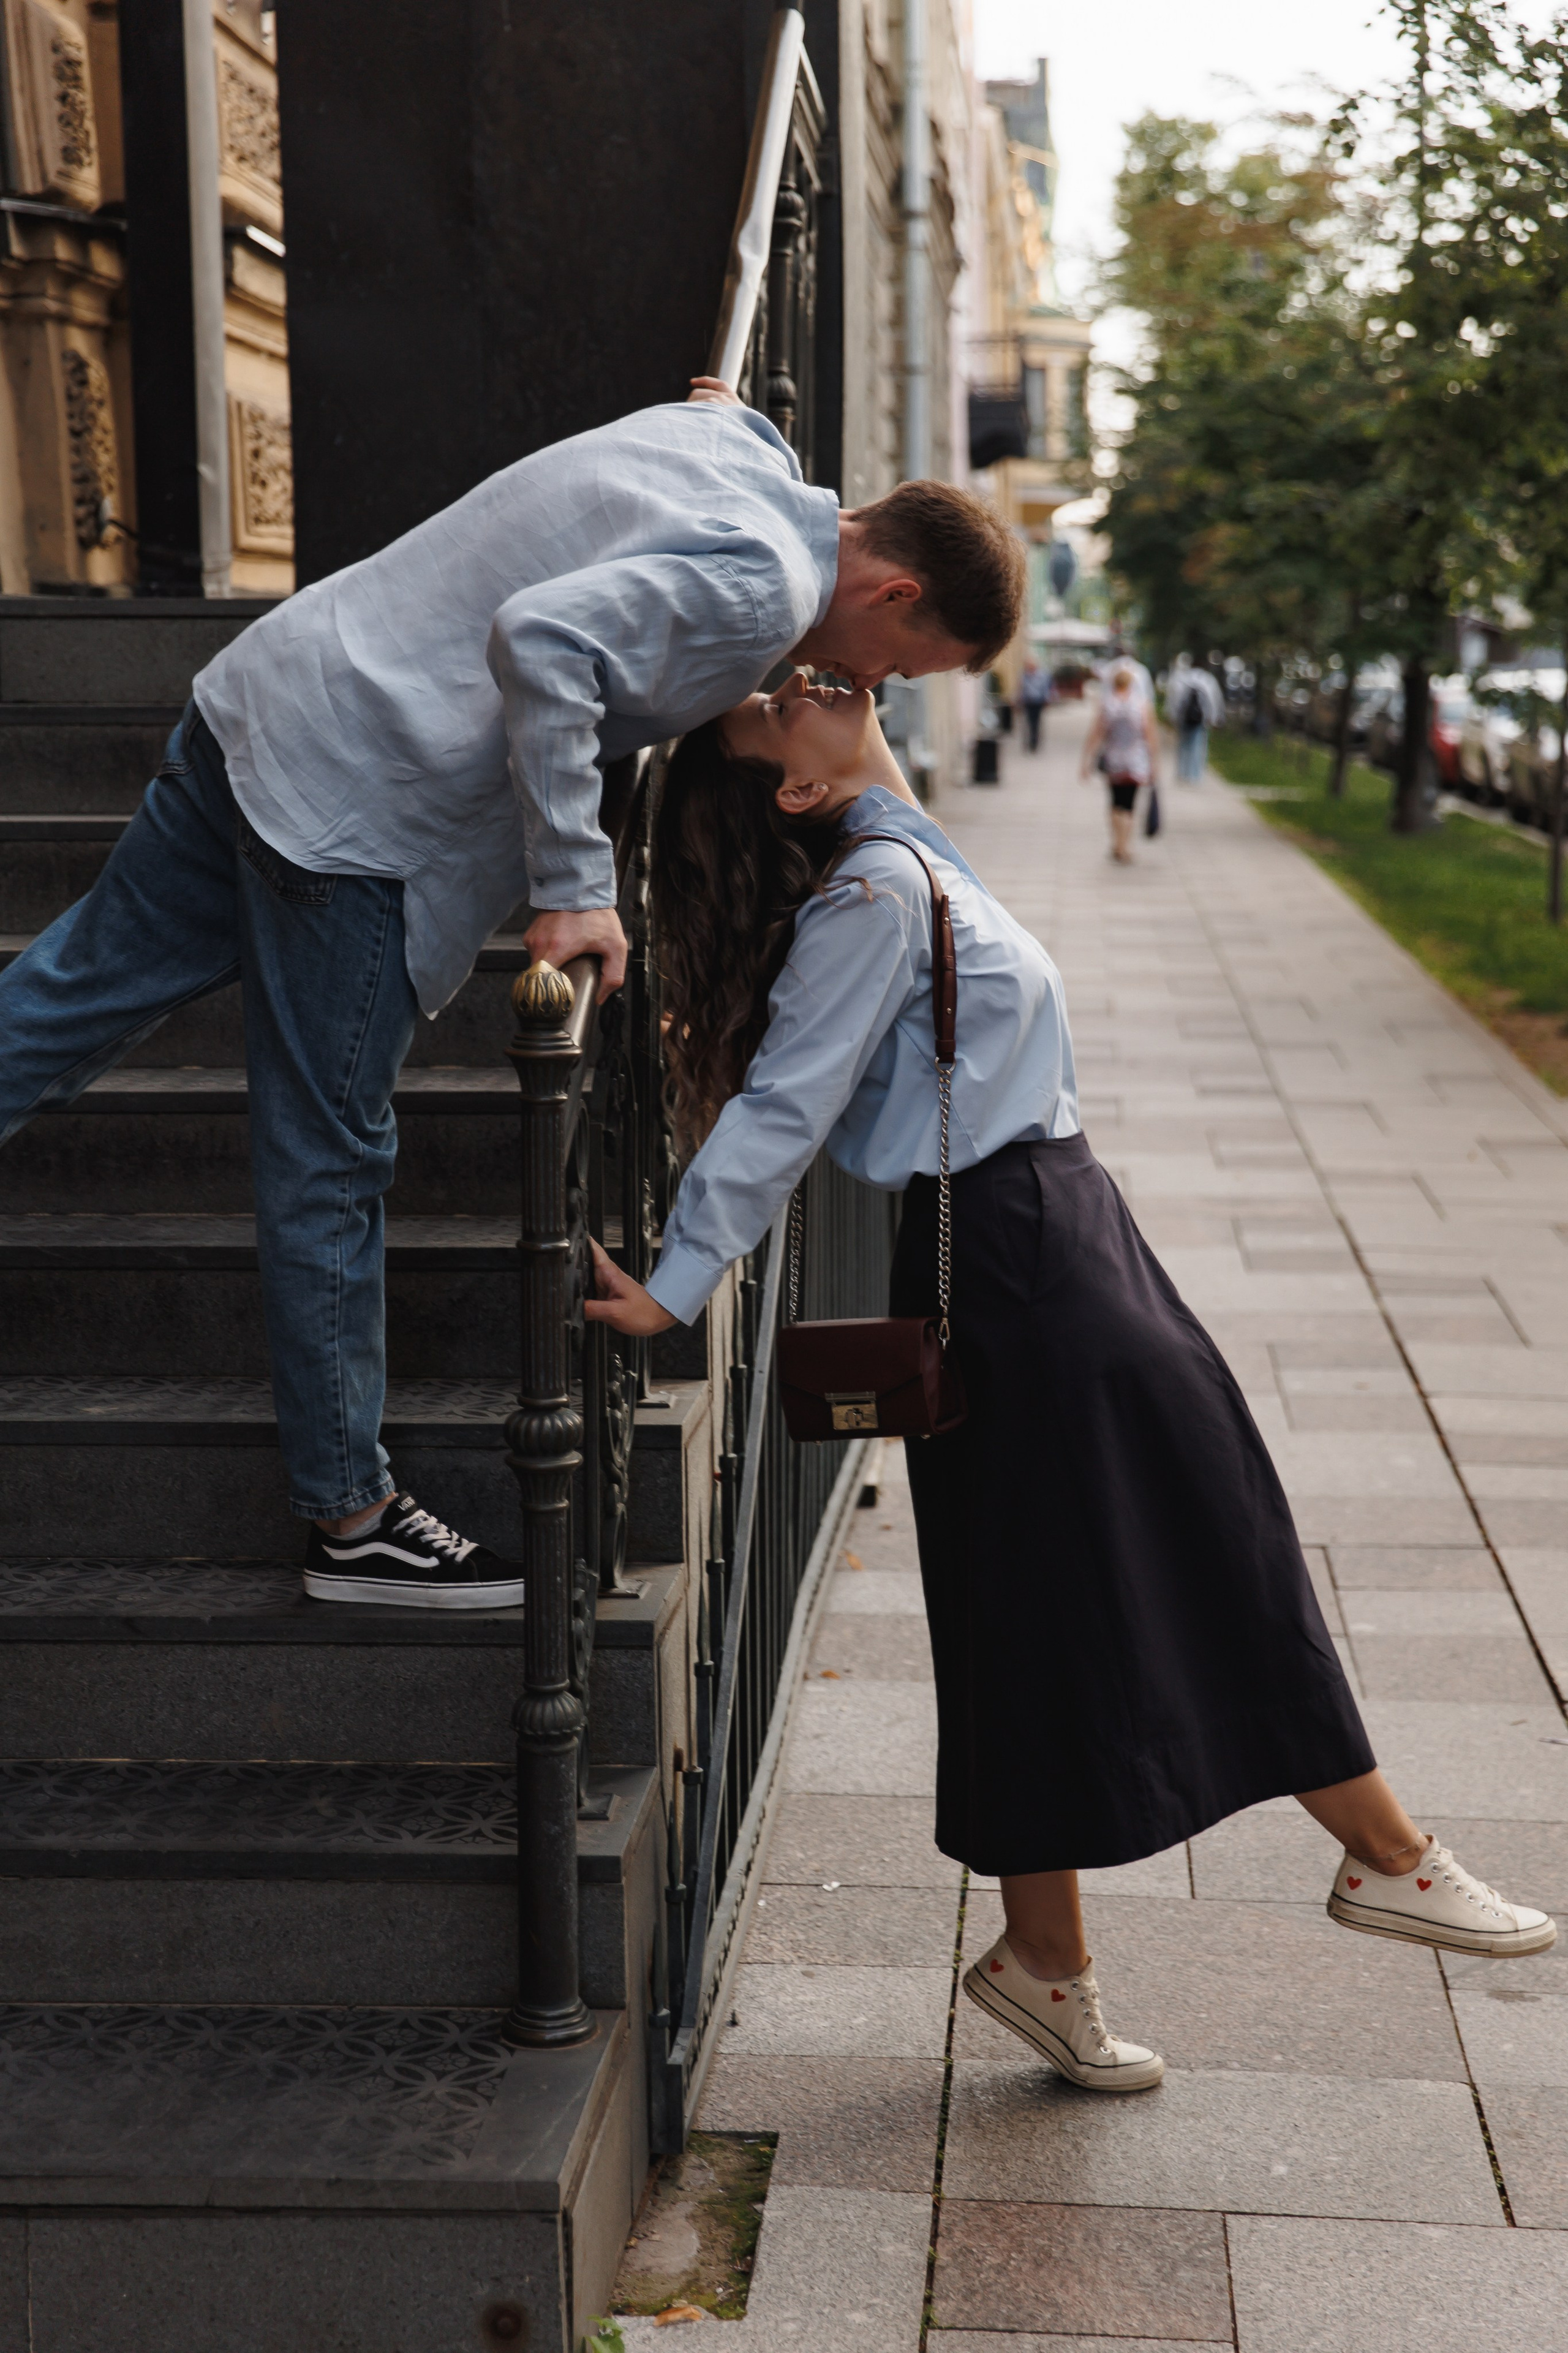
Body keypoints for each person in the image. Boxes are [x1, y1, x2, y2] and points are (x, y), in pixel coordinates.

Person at [586, 674, 1555, 2093]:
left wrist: (850, 712)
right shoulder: (869, 903)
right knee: (1212, 1538)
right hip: (1018, 1255)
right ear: (793, 788)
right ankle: (1386, 1852)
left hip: (1054, 1230)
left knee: (1029, 1598)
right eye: (769, 707)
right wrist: (676, 1282)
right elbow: (786, 1101)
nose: (798, 685)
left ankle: (1044, 1956)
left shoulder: (899, 858)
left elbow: (875, 791)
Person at [0, 381, 1023, 1606]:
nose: (874, 686)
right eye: (899, 664)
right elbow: (545, 638)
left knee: (56, 1004)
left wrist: (735, 408)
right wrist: (576, 882)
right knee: (327, 1159)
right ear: (893, 592)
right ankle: (352, 1517)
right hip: (357, 816)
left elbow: (713, 449)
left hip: (270, 708)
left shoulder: (741, 453)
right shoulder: (760, 586)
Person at [1082, 663, 1158, 862]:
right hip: (1136, 761)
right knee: (1130, 804)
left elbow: (1096, 733)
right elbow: (1150, 737)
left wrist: (1086, 761)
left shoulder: (1107, 703)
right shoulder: (1142, 705)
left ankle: (1116, 843)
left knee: (1115, 802)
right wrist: (1154, 765)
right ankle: (1125, 845)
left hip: (1114, 760)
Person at [1169, 657, 1224, 782]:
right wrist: (1214, 718)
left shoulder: (1183, 679)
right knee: (1198, 746)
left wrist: (1174, 716)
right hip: (1200, 720)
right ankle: (1195, 775)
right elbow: (1214, 700)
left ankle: (1182, 773)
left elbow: (1175, 699)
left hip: (1184, 718)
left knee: (1183, 745)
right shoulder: (1208, 680)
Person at [1017, 656, 1052, 752]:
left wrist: (1047, 699)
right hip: (1028, 702)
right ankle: (1029, 742)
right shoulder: (1024, 676)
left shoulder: (1042, 675)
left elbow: (1046, 688)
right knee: (1028, 723)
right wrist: (1019, 699)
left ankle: (1034, 743)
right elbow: (1021, 689)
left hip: (1038, 702)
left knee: (1036, 723)